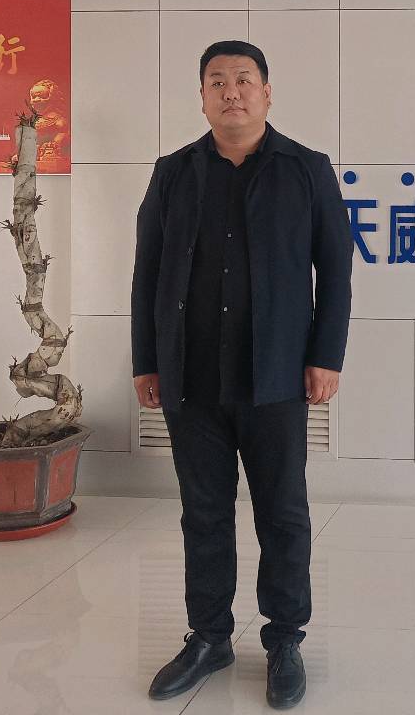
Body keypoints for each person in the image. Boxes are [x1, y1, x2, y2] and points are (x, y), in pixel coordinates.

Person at [132, 40, 352, 709]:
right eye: (218, 81)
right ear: (202, 97)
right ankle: (209, 637)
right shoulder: (173, 173)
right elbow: (146, 272)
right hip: (190, 376)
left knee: (282, 512)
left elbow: (335, 271)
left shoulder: (306, 169)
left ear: (267, 93)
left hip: (276, 375)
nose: (232, 91)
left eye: (244, 79)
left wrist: (326, 355)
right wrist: (146, 360)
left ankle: (284, 639)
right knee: (203, 512)